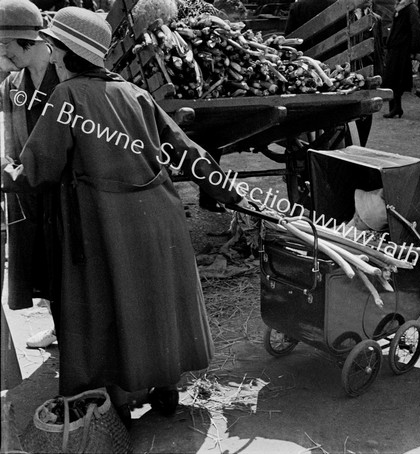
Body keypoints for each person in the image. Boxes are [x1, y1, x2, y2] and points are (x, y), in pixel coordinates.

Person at [2, 6, 248, 429]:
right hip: (158, 215)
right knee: (153, 300)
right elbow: (186, 151)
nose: (55, 59)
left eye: (57, 51)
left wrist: (7, 174)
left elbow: (36, 170)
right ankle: (164, 385)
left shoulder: (67, 96)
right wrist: (227, 189)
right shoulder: (135, 93)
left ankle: (114, 394)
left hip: (103, 221)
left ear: (64, 54)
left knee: (106, 307)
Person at [0, 0, 61, 349]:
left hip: (64, 191)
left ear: (28, 40)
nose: (2, 52)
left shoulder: (66, 76)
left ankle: (80, 335)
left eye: (5, 44)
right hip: (27, 192)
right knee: (39, 263)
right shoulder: (13, 84)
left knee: (71, 265)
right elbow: (9, 138)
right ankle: (57, 326)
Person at [381, 0, 420, 118]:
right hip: (394, 48)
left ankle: (396, 108)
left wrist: (414, 48)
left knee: (398, 79)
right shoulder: (399, 8)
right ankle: (395, 107)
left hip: (402, 49)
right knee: (391, 78)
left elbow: (416, 28)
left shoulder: (410, 8)